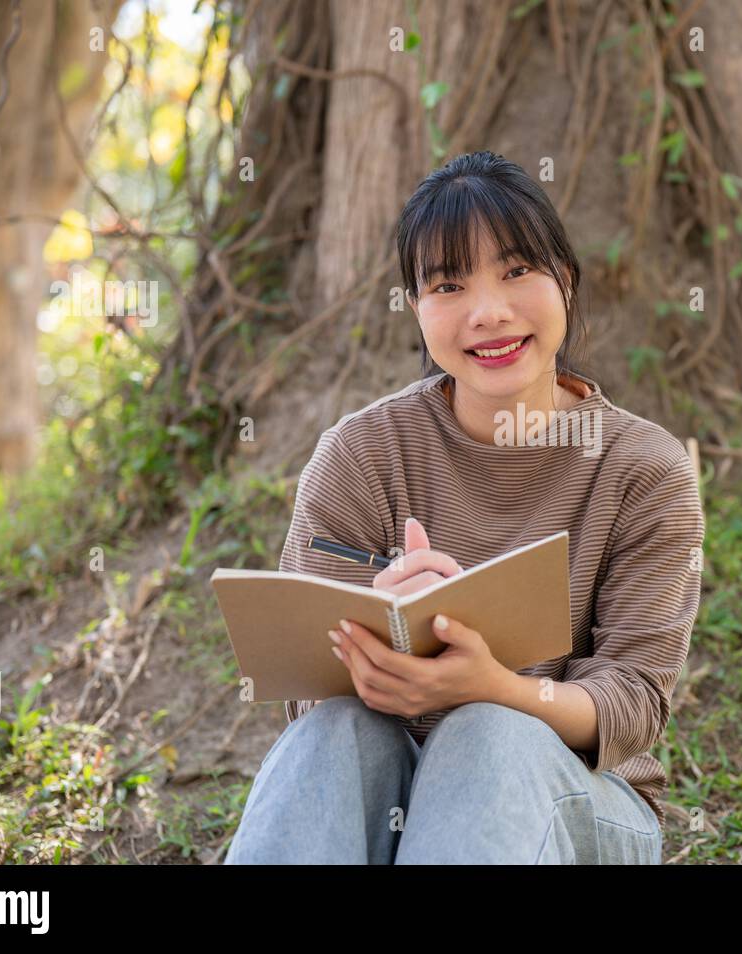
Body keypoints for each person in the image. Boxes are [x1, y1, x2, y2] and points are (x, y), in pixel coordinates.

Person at [225, 151, 704, 865]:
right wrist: (367, 641)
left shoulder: (644, 469)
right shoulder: (360, 455)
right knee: (333, 733)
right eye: (449, 284)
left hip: (579, 799)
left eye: (516, 272)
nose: (488, 312)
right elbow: (308, 706)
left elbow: (631, 705)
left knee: (488, 730)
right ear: (416, 309)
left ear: (564, 282)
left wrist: (496, 689)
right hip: (392, 794)